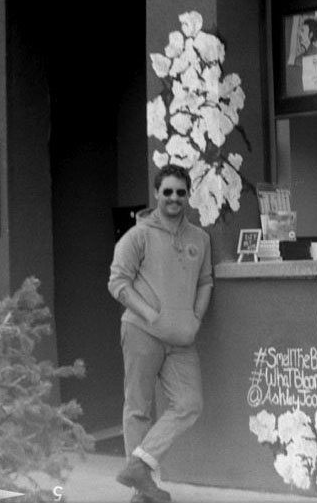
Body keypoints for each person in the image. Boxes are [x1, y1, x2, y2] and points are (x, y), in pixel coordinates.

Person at [108, 164, 213, 503]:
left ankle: (138, 463)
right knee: (138, 407)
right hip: (142, 332)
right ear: (157, 194)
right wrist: (150, 313)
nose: (174, 198)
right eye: (167, 191)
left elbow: (205, 281)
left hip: (182, 339)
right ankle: (143, 491)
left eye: (180, 192)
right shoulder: (138, 235)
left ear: (188, 195)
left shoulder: (200, 238)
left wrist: (196, 317)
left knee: (189, 403)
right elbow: (117, 282)